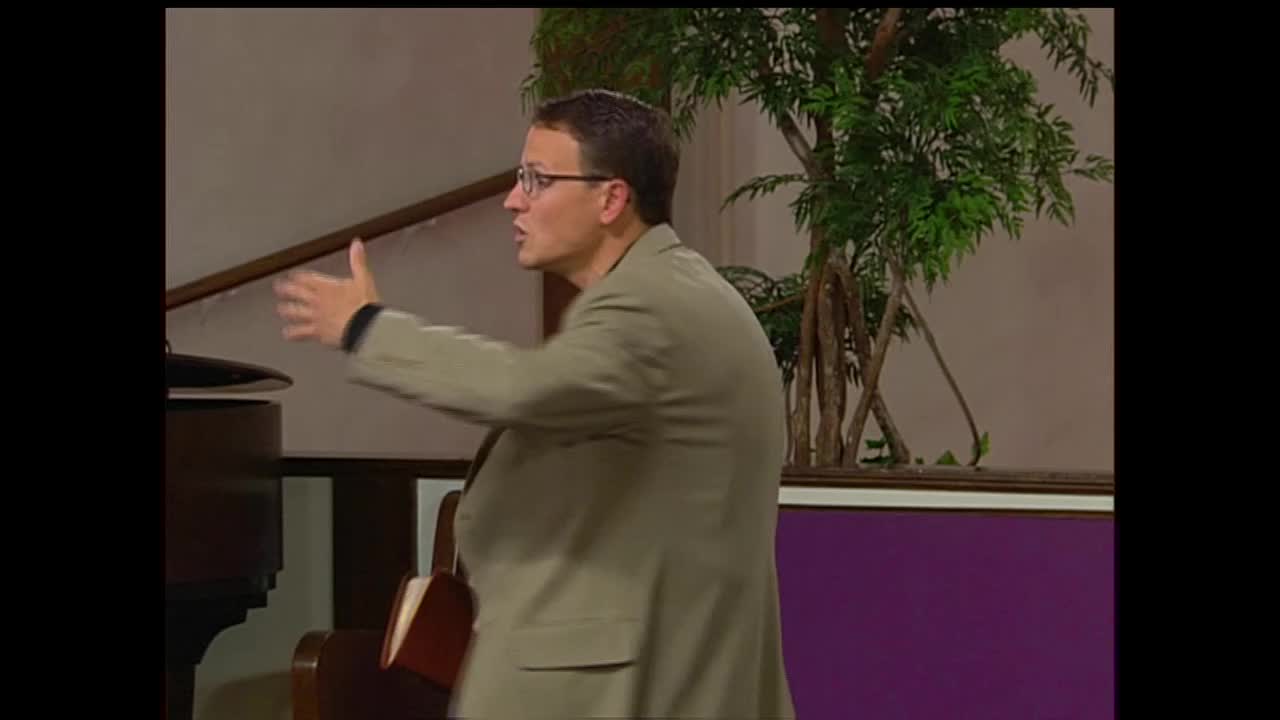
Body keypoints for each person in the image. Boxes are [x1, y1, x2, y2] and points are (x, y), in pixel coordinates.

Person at [274, 88, 796, 720]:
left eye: (537, 180)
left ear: (611, 197)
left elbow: (523, 388)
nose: (512, 199)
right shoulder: (671, 292)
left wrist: (366, 329)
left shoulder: (654, 308)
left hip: (617, 684)